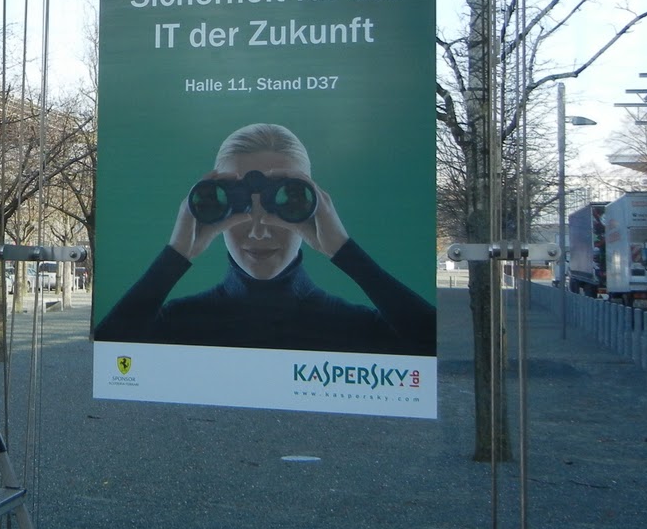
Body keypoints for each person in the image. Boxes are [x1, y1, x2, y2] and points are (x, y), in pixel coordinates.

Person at [94, 123, 435, 355]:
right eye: (238, 207)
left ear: (315, 208)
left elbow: (429, 342)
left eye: (287, 204)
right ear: (211, 208)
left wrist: (342, 249)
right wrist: (177, 252)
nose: (259, 230)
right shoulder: (179, 320)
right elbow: (110, 350)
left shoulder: (353, 325)